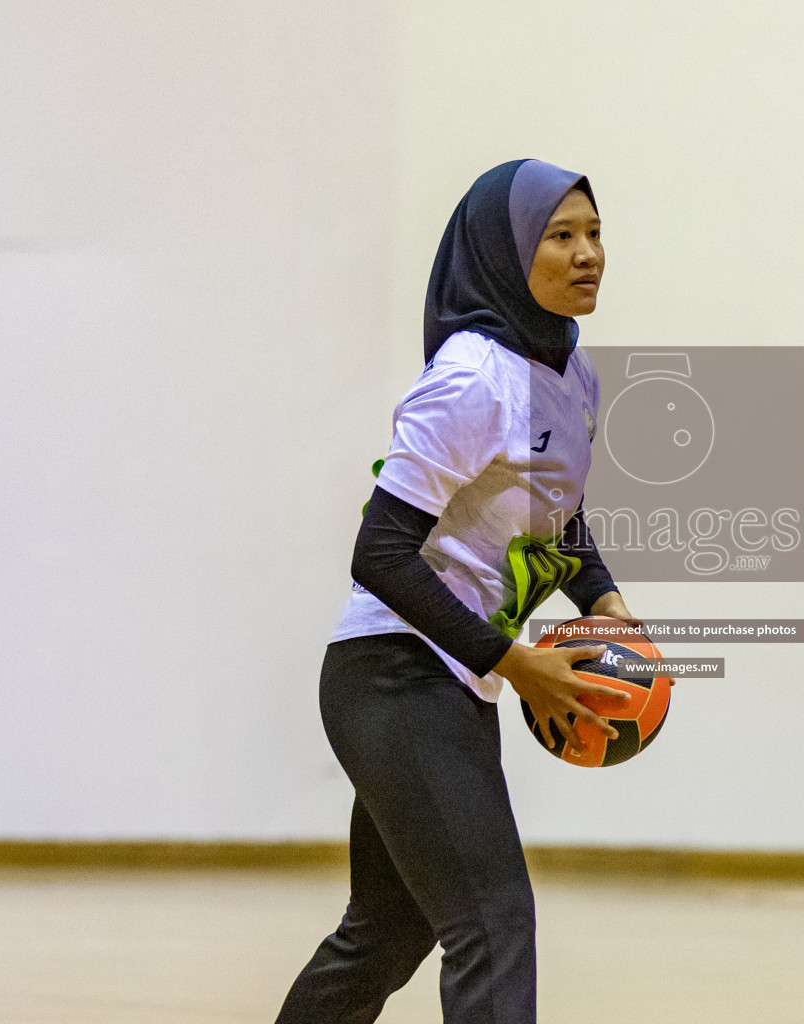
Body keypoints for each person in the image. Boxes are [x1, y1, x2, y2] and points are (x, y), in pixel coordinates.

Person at [275, 159, 639, 1024]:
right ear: (504, 253)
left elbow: (557, 518)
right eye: (560, 236)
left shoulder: (573, 376)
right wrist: (513, 660)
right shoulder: (471, 377)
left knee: (386, 934)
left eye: (594, 233)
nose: (588, 253)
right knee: (494, 920)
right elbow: (381, 553)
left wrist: (604, 600)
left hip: (450, 679)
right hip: (393, 675)